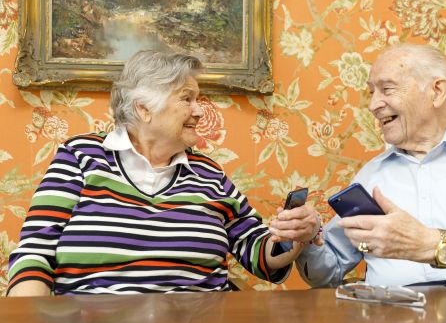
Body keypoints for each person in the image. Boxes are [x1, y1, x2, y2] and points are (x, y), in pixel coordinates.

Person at [270, 43, 446, 323]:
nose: (374, 104)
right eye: (371, 92)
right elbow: (328, 273)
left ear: (436, 91)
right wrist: (309, 237)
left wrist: (432, 244)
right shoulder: (371, 175)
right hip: (388, 322)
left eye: (387, 89)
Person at [7, 50, 318, 296]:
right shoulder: (79, 156)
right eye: (187, 99)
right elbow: (34, 255)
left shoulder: (208, 174)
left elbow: (259, 254)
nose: (199, 111)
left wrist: (291, 236)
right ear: (144, 109)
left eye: (198, 99)